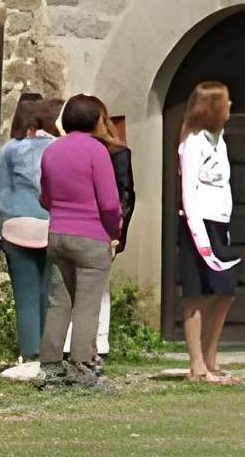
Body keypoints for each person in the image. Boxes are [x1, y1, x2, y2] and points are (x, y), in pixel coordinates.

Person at [37, 92, 126, 393]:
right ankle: (83, 370)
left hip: (57, 234)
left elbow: (45, 197)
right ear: (97, 120)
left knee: (58, 303)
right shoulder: (97, 151)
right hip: (91, 236)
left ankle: (50, 369)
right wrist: (114, 232)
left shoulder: (51, 151)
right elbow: (110, 203)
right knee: (87, 306)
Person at [173, 83, 244, 385]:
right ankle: (196, 364)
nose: (231, 106)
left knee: (225, 290)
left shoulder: (219, 139)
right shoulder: (193, 142)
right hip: (198, 225)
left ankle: (211, 356)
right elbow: (189, 191)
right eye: (227, 102)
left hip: (220, 223)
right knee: (196, 293)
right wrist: (200, 237)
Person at [0, 93, 60, 383]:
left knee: (25, 295)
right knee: (49, 293)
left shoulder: (10, 150)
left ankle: (29, 352)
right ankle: (49, 351)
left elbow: (1, 194)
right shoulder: (58, 148)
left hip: (16, 226)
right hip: (49, 224)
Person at [94, 104, 137, 364]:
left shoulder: (117, 153)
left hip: (106, 224)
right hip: (85, 223)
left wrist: (118, 232)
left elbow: (126, 194)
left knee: (100, 287)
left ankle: (100, 343)